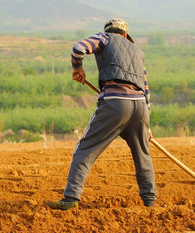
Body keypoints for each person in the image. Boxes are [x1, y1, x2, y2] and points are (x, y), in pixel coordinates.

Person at [46, 18, 157, 210]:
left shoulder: (104, 38)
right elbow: (146, 90)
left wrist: (77, 68)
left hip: (115, 104)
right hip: (139, 107)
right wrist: (147, 125)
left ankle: (71, 198)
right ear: (124, 35)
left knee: (85, 149)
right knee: (143, 155)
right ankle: (150, 202)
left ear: (109, 31)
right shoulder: (138, 52)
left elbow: (78, 48)